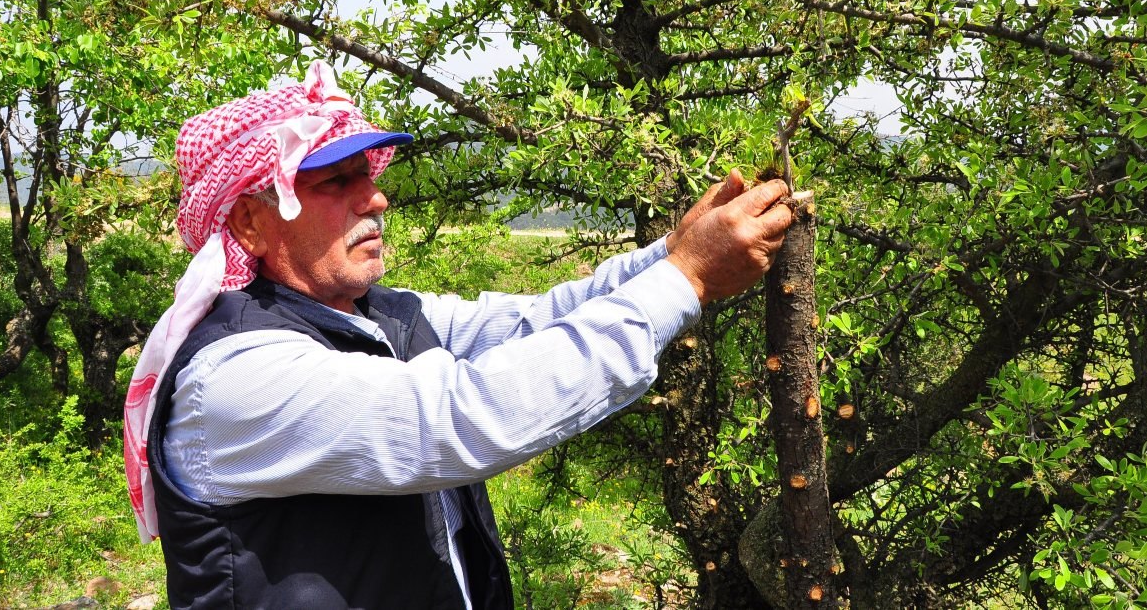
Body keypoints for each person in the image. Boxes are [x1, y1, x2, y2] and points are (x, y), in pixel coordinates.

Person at [123, 60, 794, 609]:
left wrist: (671, 252)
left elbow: (537, 321)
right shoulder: (235, 376)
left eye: (370, 173)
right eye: (338, 181)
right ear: (248, 223)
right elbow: (457, 415)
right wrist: (687, 277)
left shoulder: (380, 314)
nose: (377, 197)